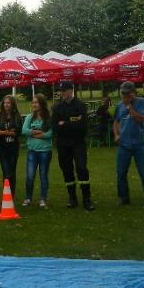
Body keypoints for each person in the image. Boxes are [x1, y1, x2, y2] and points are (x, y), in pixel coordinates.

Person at [52, 81, 95, 210]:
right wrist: (71, 123)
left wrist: (65, 124)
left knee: (81, 168)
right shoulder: (57, 107)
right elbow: (54, 126)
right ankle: (72, 198)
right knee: (66, 170)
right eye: (61, 91)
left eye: (64, 90)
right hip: (63, 143)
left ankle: (87, 199)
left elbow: (82, 126)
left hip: (78, 143)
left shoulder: (80, 105)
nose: (62, 93)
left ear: (71, 90)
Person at [113, 81, 144, 205]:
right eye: (123, 94)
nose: (124, 96)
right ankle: (124, 198)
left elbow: (141, 119)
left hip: (139, 144)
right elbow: (116, 122)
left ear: (133, 93)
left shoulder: (141, 102)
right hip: (124, 145)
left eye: (127, 94)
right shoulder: (119, 105)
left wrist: (130, 107)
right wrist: (116, 135)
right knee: (121, 173)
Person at [21, 94, 53, 208]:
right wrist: (37, 132)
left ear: (42, 104)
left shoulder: (48, 118)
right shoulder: (29, 117)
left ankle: (43, 199)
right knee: (30, 176)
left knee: (43, 175)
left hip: (45, 151)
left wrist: (36, 134)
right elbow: (24, 130)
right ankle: (28, 198)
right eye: (33, 102)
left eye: (36, 102)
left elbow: (50, 134)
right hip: (32, 151)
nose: (34, 104)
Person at [0, 95, 21, 196]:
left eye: (8, 103)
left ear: (13, 104)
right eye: (5, 102)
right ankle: (6, 193)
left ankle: (11, 194)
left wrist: (4, 132)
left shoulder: (17, 116)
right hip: (2, 148)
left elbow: (17, 133)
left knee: (12, 171)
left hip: (13, 148)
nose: (6, 104)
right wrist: (8, 132)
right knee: (6, 171)